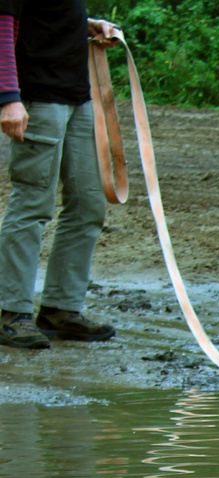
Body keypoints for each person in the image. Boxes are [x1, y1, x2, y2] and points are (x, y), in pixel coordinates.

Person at [0, 2, 118, 348]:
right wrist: (8, 97)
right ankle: (11, 313)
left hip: (78, 97)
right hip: (36, 98)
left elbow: (47, 17)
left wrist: (88, 24)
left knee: (89, 204)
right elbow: (3, 25)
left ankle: (59, 310)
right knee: (32, 202)